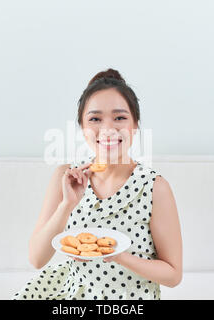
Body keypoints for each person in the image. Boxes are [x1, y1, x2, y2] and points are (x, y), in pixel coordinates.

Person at [12, 68, 182, 300]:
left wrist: (119, 255)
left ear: (135, 125)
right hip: (72, 293)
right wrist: (66, 206)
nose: (108, 129)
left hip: (130, 298)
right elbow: (36, 258)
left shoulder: (154, 187)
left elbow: (173, 275)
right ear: (83, 129)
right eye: (95, 119)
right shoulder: (67, 177)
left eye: (120, 117)